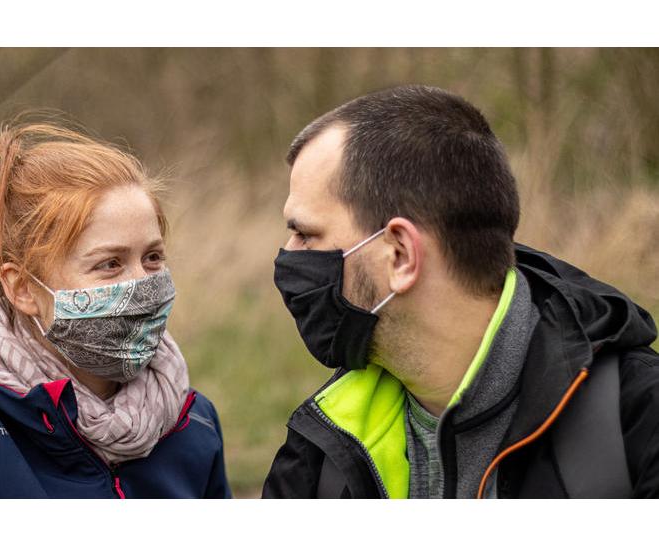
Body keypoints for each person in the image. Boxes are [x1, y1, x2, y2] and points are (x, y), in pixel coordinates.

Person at [262, 85, 659, 499]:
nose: (288, 257)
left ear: (400, 255)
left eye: (305, 234)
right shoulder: (324, 446)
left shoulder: (635, 422)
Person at [0, 122, 230, 498]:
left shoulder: (193, 423)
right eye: (110, 264)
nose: (143, 284)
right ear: (22, 288)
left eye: (152, 258)